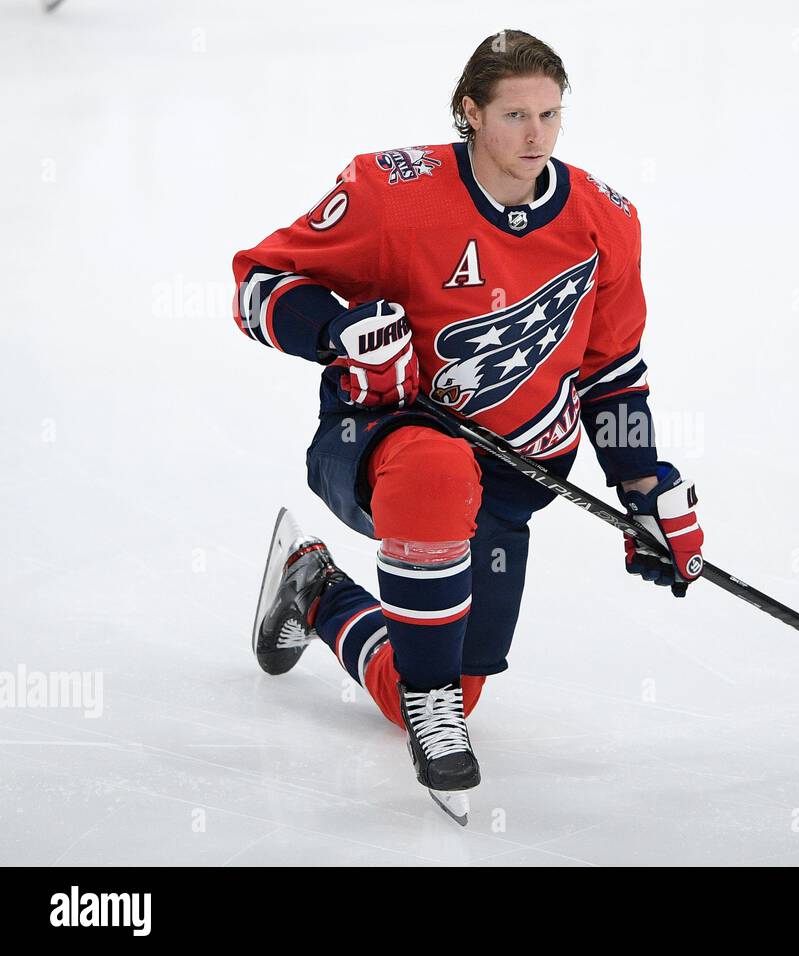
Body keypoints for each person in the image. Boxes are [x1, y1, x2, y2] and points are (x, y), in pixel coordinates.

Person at [230, 29, 705, 813]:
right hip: (380, 437)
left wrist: (645, 488)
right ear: (470, 113)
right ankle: (430, 699)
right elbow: (258, 282)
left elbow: (610, 374)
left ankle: (313, 588)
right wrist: (336, 332)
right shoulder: (394, 193)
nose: (536, 136)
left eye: (550, 115)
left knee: (432, 679)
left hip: (516, 478)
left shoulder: (605, 221)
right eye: (515, 115)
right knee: (435, 470)